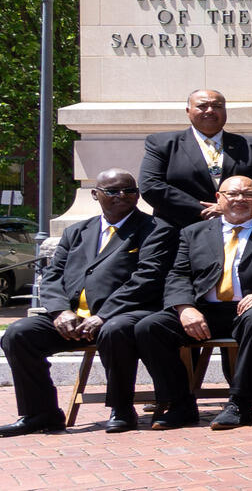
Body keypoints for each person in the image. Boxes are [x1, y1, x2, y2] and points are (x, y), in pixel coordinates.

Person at [127, 175, 252, 430]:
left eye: (248, 194)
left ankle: (240, 404)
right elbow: (178, 274)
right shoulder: (192, 232)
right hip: (205, 310)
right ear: (219, 198)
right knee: (150, 327)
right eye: (232, 194)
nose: (240, 199)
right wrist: (184, 307)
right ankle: (180, 403)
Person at [0, 170, 163, 436]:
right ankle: (41, 413)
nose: (122, 196)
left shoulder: (154, 229)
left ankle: (122, 409)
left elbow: (147, 279)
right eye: (112, 191)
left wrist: (104, 315)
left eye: (129, 191)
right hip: (74, 318)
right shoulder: (77, 231)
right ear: (95, 194)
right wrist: (60, 312)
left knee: (115, 330)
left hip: (122, 315)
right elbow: (52, 276)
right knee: (19, 335)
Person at [138, 89, 252, 231]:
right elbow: (150, 185)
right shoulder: (162, 143)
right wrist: (201, 210)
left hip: (242, 229)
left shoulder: (251, 146)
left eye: (217, 106)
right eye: (202, 106)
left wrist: (229, 208)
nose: (210, 110)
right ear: (188, 111)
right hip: (178, 228)